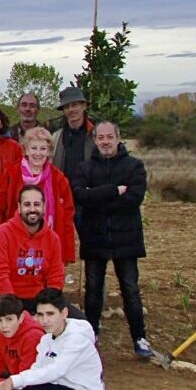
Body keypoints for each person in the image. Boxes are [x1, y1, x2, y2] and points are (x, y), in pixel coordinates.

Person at [71, 120, 152, 358]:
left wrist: (96, 198)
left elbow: (134, 199)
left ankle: (140, 338)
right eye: (100, 138)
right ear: (95, 140)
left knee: (130, 289)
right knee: (93, 289)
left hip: (126, 239)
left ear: (118, 138)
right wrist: (114, 191)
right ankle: (92, 334)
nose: (105, 142)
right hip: (94, 237)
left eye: (110, 137)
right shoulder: (85, 168)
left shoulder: (134, 166)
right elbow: (79, 196)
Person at [0, 288, 105, 390]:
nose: (45, 320)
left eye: (50, 314)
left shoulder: (78, 338)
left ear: (64, 313)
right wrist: (10, 385)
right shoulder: (46, 339)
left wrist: (14, 380)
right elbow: (37, 369)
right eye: (40, 315)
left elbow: (56, 370)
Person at [3, 128, 75, 266]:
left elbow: (67, 216)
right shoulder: (11, 173)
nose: (38, 153)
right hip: (16, 239)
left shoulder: (59, 179)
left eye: (43, 149)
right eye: (34, 148)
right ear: (26, 150)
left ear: (49, 152)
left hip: (48, 241)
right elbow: (0, 207)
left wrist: (66, 252)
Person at [0, 186, 64, 309]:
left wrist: (49, 305)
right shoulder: (3, 233)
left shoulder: (53, 238)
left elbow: (55, 276)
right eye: (27, 204)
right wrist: (15, 307)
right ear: (19, 207)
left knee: (78, 321)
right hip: (5, 296)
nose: (32, 209)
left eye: (37, 204)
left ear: (44, 207)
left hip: (38, 298)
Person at [50, 87, 94, 179]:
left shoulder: (95, 134)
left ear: (84, 106)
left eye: (74, 105)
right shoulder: (56, 136)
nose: (70, 109)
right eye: (66, 106)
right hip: (62, 189)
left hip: (88, 190)